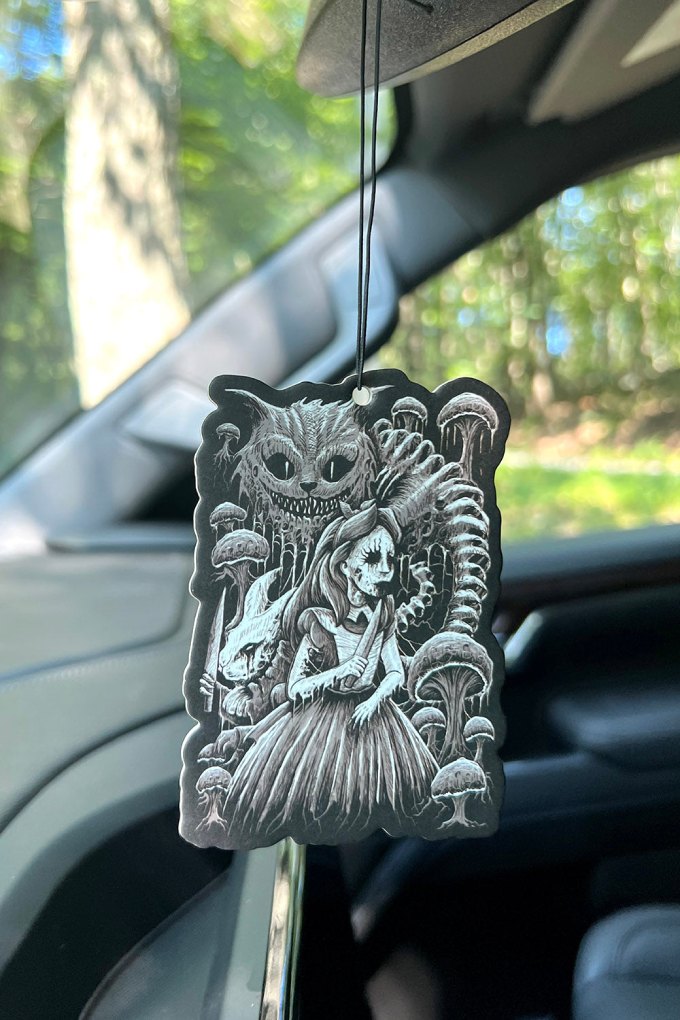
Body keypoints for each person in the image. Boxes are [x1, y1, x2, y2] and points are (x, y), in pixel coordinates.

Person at [221, 501, 437, 847]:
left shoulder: (383, 615)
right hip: (320, 719)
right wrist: (337, 674)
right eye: (372, 559)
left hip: (376, 717)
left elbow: (395, 672)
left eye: (390, 560)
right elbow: (296, 687)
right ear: (344, 565)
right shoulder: (320, 621)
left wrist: (374, 700)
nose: (385, 570)